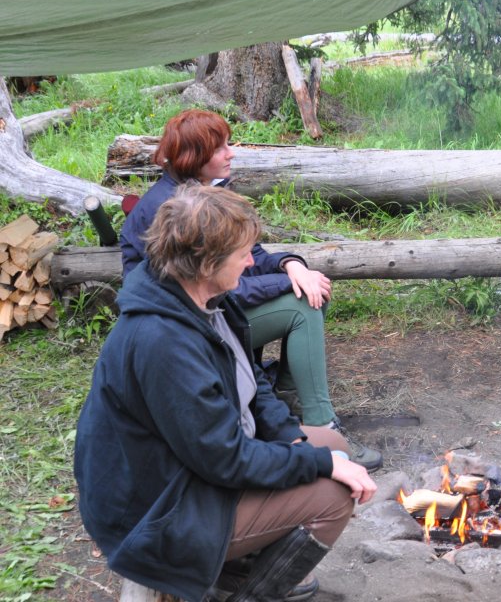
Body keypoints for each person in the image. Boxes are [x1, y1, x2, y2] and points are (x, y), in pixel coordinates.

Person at [76, 185, 377, 601]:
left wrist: (294, 440)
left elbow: (252, 385)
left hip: (189, 470)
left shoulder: (207, 300)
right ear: (205, 263)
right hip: (157, 510)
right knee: (332, 492)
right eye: (243, 254)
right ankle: (246, 591)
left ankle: (233, 569)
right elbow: (225, 459)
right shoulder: (162, 341)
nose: (253, 261)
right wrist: (317, 465)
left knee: (328, 443)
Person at [120, 109, 381, 470]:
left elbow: (250, 255)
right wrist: (289, 281)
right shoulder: (171, 209)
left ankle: (285, 396)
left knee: (311, 289)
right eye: (220, 148)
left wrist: (292, 265)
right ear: (195, 157)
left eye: (229, 144)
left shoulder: (206, 191)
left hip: (208, 314)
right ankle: (321, 421)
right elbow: (219, 292)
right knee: (301, 305)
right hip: (185, 328)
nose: (231, 153)